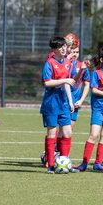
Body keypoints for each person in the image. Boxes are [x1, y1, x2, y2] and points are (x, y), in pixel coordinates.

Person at [40, 36, 77, 173]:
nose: (63, 49)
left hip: (63, 103)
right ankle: (50, 165)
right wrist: (65, 80)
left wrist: (70, 101)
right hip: (51, 104)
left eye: (64, 46)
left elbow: (66, 83)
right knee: (51, 134)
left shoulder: (67, 62)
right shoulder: (49, 63)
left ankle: (64, 162)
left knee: (67, 132)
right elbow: (47, 82)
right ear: (54, 50)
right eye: (60, 47)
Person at [69, 38, 90, 130]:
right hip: (62, 101)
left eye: (77, 52)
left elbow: (87, 84)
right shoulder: (64, 64)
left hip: (75, 102)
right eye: (73, 51)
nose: (75, 54)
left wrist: (81, 100)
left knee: (68, 132)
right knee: (58, 132)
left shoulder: (82, 66)